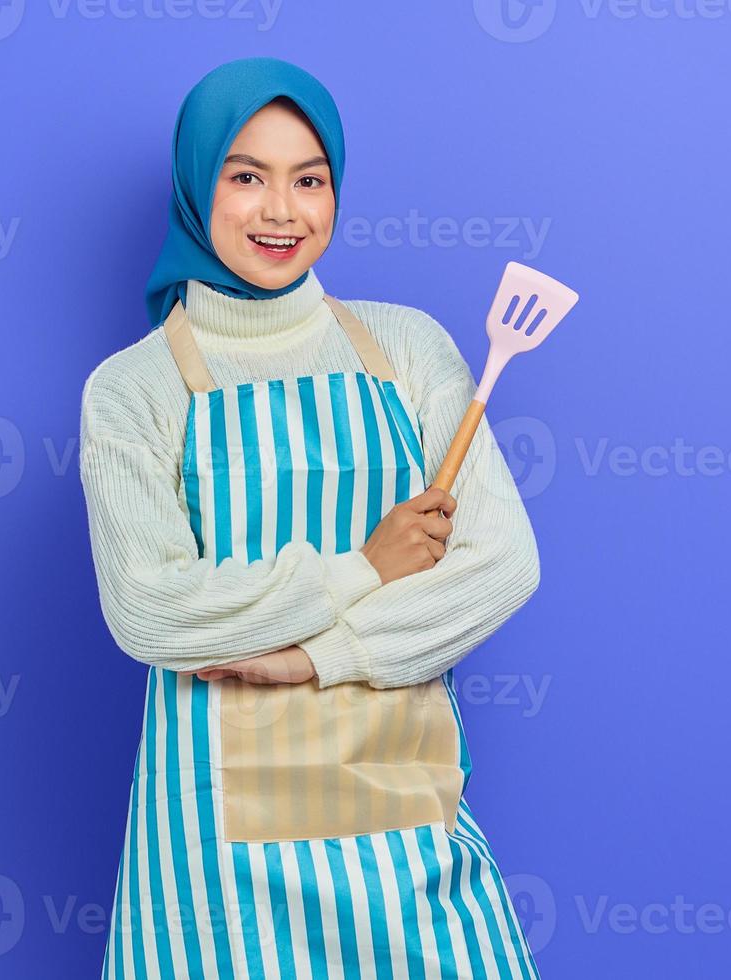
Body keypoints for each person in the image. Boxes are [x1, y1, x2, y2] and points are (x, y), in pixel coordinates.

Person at [79, 55, 543, 979]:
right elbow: (148, 610)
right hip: (217, 848)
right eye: (246, 177)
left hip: (398, 808)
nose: (282, 211)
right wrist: (359, 570)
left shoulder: (407, 347)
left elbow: (500, 563)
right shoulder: (132, 389)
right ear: (195, 187)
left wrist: (317, 656)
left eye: (310, 179)